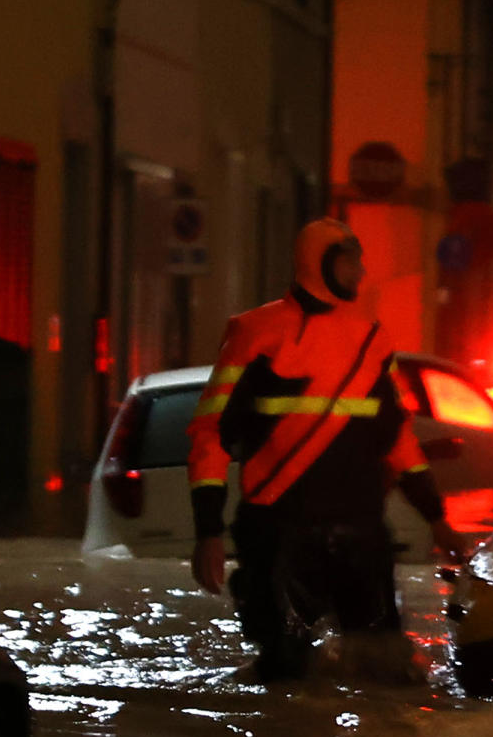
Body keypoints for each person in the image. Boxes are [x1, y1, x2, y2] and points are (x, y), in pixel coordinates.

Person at [187, 218, 463, 680]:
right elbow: (210, 433)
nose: (360, 271)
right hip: (279, 534)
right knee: (283, 671)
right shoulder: (255, 332)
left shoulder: (374, 337)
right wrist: (208, 532)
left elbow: (398, 438)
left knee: (387, 670)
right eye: (350, 260)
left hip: (360, 533)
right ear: (320, 264)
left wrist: (436, 518)